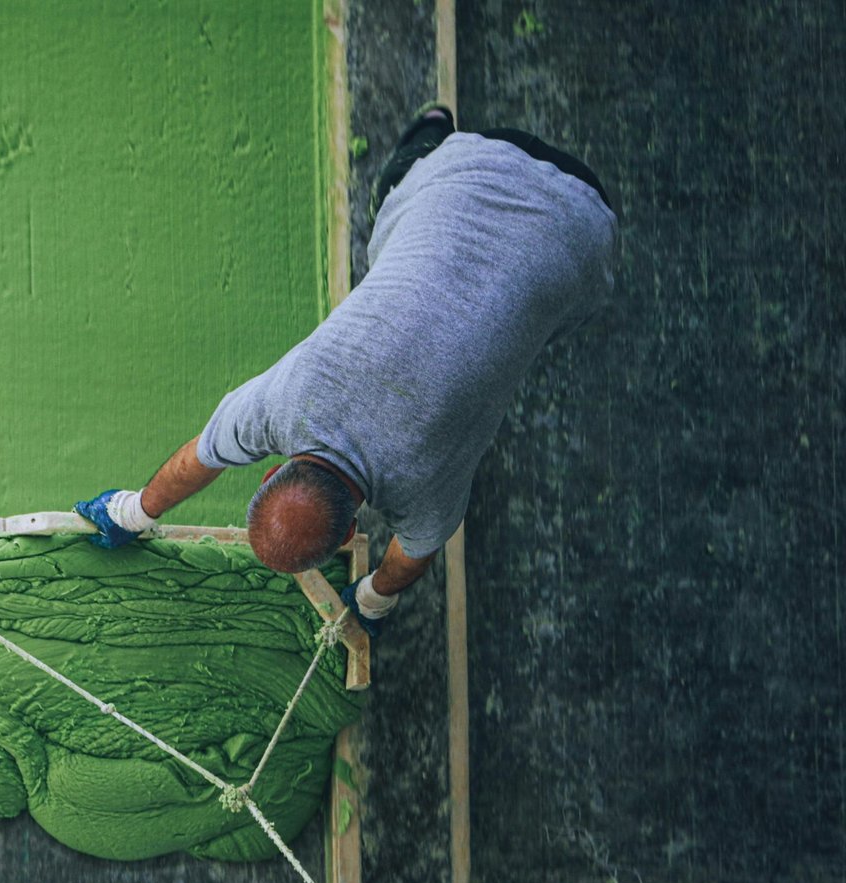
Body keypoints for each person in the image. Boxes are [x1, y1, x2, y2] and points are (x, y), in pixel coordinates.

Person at [76, 105, 617, 637]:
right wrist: (132, 510)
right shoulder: (278, 405)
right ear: (272, 473)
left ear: (353, 529)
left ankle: (435, 123)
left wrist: (374, 599)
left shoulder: (426, 493)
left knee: (537, 320)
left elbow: (414, 554)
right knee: (395, 188)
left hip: (584, 222)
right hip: (470, 169)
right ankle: (432, 124)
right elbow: (198, 457)